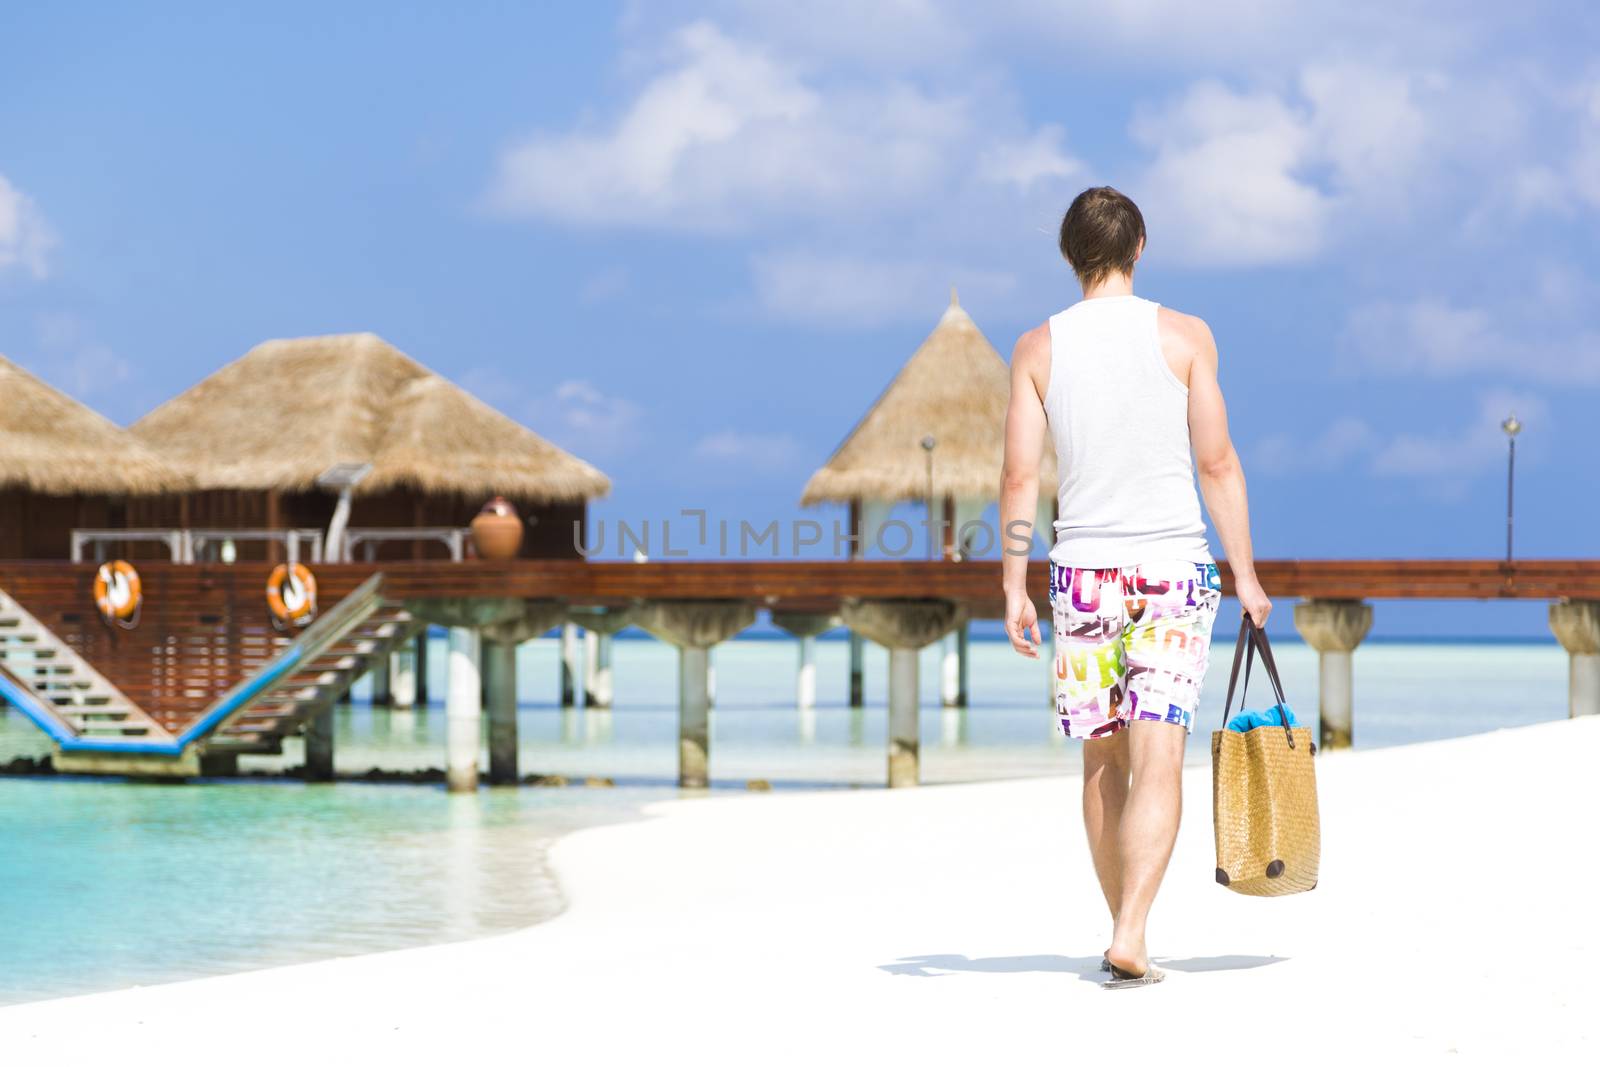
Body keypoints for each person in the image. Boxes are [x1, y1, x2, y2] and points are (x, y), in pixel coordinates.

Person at [999, 186, 1271, 989]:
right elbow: (1217, 463)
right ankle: (1133, 928)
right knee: (1160, 755)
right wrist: (1246, 573)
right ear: (1140, 245)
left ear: (1067, 252)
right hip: (1173, 571)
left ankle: (1123, 928)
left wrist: (1015, 584)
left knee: (1101, 760)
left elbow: (1020, 476)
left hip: (1082, 573)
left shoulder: (1037, 348)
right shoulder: (1187, 337)